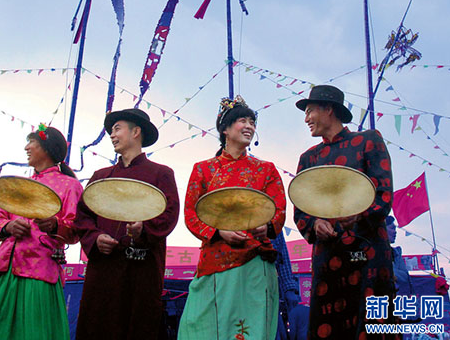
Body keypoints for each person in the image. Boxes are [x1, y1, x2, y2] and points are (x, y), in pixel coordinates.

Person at [0, 124, 83, 340]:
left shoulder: (70, 186)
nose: (27, 147)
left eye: (32, 142)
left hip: (40, 271)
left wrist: (54, 225)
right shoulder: (18, 185)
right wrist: (8, 227)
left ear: (47, 148)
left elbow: (76, 229)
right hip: (4, 269)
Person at [178, 96, 286, 339]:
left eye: (252, 122)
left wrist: (266, 227)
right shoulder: (203, 169)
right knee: (201, 325)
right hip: (215, 260)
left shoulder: (266, 169)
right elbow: (191, 214)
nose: (249, 126)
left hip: (255, 262)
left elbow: (278, 210)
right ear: (225, 129)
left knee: (252, 329)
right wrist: (219, 232)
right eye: (242, 121)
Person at [294, 84, 396, 339]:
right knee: (328, 326)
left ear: (329, 109)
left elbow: (383, 194)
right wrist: (315, 224)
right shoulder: (308, 158)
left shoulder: (368, 140)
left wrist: (359, 215)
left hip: (368, 254)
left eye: (309, 111)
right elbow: (301, 211)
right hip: (328, 258)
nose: (306, 119)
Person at [74, 108, 180, 340]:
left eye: (117, 129)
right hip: (103, 268)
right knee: (97, 325)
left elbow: (170, 214)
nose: (112, 135)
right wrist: (95, 238)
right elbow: (82, 216)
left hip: (142, 269)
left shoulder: (161, 173)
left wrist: (144, 229)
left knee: (138, 326)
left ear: (136, 132)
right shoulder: (101, 176)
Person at [386, 215, 415, 296]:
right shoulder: (372, 251)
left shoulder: (396, 253)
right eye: (392, 228)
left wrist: (389, 270)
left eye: (395, 229)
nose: (395, 232)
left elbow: (404, 276)